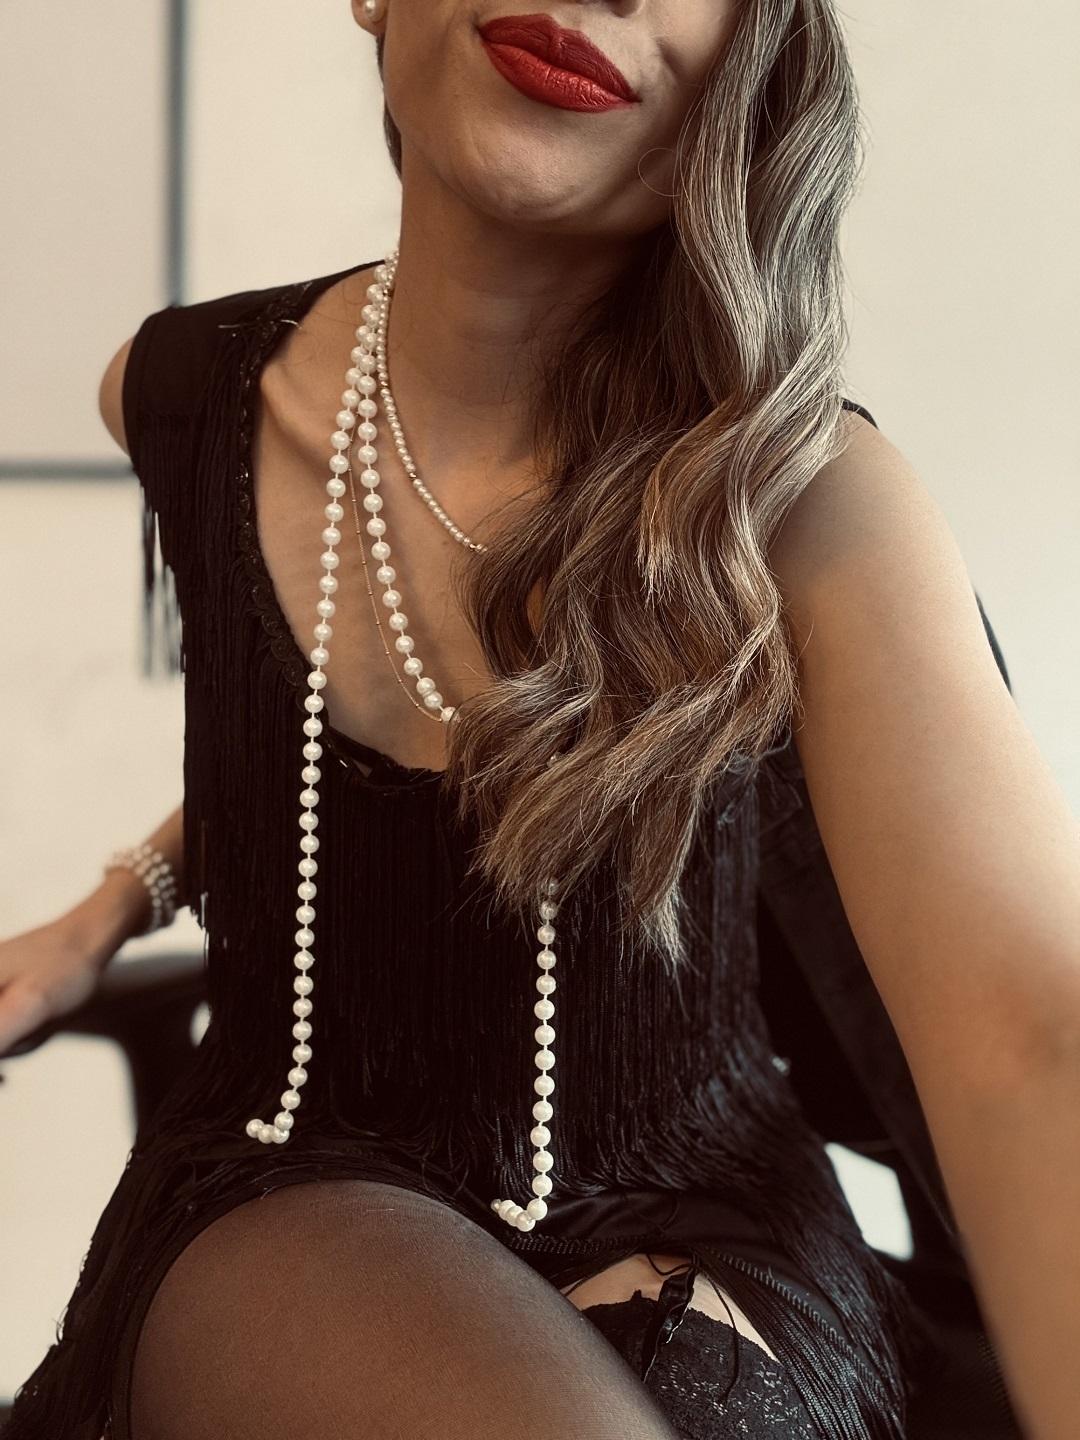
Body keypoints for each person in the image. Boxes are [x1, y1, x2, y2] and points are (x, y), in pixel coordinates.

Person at [3, 2, 1079, 1437]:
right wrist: (114, 904)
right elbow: (307, 769)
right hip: (287, 1171)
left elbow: (1031, 1036)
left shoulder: (802, 495)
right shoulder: (189, 398)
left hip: (708, 1209)